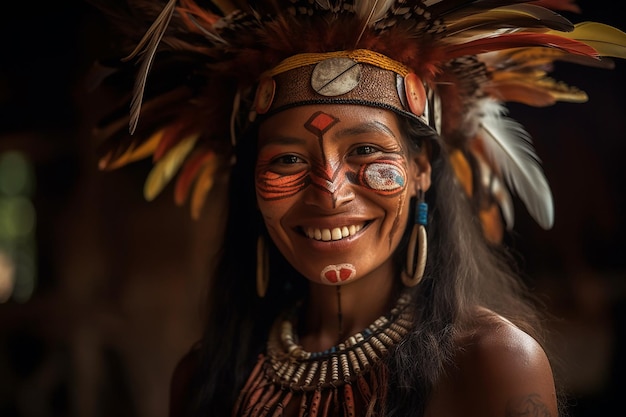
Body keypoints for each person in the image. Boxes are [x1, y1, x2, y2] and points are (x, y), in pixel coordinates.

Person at [88, 1, 626, 416]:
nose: (329, 190)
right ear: (250, 185)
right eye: (289, 159)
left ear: (421, 170)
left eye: (366, 150)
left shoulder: (492, 364)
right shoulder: (205, 377)